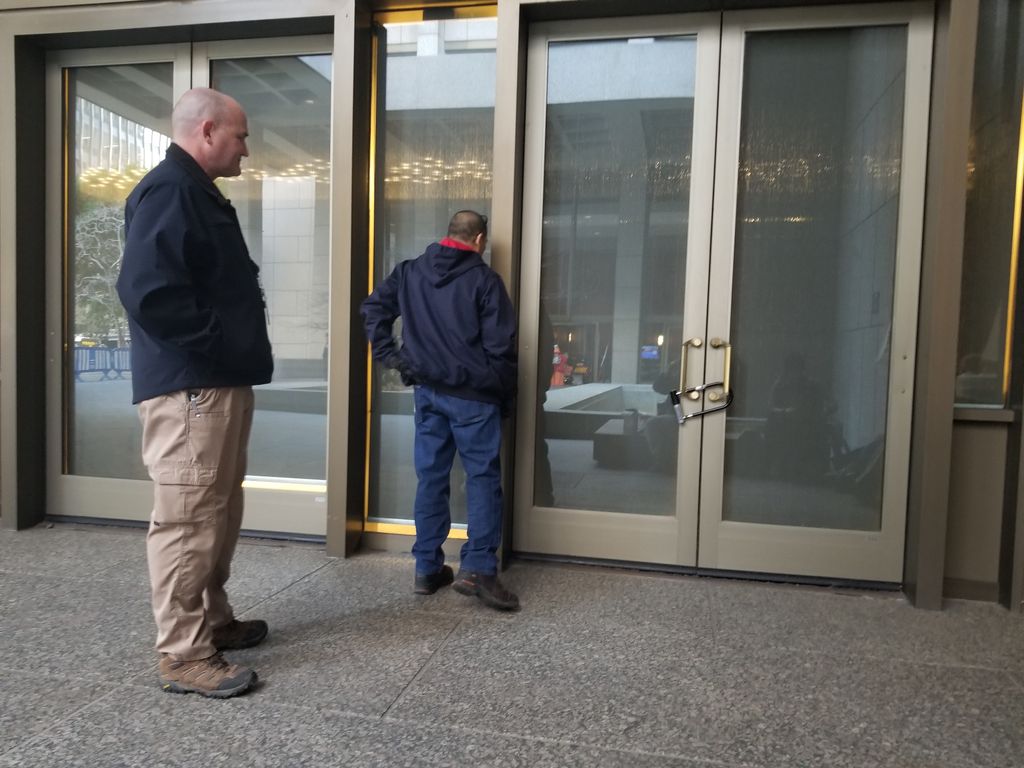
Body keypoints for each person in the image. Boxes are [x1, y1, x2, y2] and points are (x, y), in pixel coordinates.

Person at [116, 87, 272, 699]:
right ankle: (183, 656)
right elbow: (148, 291)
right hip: (192, 388)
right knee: (186, 518)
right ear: (207, 132)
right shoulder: (171, 190)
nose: (247, 150)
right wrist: (218, 345)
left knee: (215, 510)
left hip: (212, 383)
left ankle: (211, 621)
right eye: (241, 136)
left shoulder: (192, 190)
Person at [361, 211, 520, 611]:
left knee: (431, 477)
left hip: (428, 393)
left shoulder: (410, 271)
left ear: (449, 234)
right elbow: (501, 350)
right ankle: (478, 570)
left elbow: (372, 310)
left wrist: (393, 359)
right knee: (482, 479)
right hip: (474, 396)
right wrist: (504, 398)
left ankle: (427, 568)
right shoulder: (484, 281)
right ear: (479, 239)